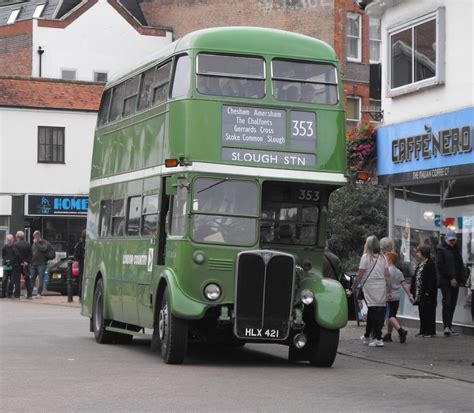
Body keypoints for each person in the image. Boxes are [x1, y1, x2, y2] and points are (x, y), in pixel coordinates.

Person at [350, 235, 392, 347]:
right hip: (381, 286)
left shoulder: (365, 257)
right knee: (374, 312)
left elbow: (360, 274)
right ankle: (367, 336)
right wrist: (389, 290)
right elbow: (387, 275)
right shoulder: (383, 257)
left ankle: (379, 338)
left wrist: (353, 287)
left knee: (373, 313)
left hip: (370, 287)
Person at [436, 230, 464, 336]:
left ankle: (449, 325)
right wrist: (451, 278)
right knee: (447, 302)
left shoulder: (456, 250)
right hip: (446, 281)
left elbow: (459, 265)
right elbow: (441, 266)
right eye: (450, 240)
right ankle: (446, 326)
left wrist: (460, 279)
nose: (452, 242)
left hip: (456, 281)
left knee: (452, 303)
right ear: (446, 239)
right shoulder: (441, 250)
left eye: (453, 240)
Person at [383, 252, 413, 343]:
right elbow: (404, 284)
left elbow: (385, 282)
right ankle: (388, 334)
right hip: (397, 296)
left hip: (389, 296)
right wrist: (409, 295)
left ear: (390, 260)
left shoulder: (387, 270)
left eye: (386, 258)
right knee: (393, 316)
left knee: (390, 316)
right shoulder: (398, 271)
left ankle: (401, 331)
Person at [411, 245, 438, 337]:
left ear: (423, 253)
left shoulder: (430, 264)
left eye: (418, 252)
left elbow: (432, 280)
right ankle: (422, 330)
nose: (417, 254)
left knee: (429, 312)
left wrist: (428, 292)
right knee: (422, 311)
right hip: (420, 292)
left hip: (427, 293)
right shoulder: (420, 264)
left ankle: (430, 331)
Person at [30, 230, 54, 298]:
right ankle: (30, 293)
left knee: (41, 278)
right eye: (34, 237)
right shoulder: (34, 244)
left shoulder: (44, 242)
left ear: (39, 236)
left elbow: (43, 249)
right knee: (32, 278)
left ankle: (39, 293)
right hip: (34, 264)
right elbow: (32, 252)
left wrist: (37, 243)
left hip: (41, 264)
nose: (35, 238)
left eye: (36, 237)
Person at [13, 231, 32, 299]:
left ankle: (17, 295)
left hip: (18, 264)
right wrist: (26, 262)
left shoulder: (15, 244)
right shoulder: (28, 244)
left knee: (17, 280)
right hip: (26, 265)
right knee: (27, 279)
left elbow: (16, 255)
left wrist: (22, 261)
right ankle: (29, 295)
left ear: (17, 237)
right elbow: (31, 255)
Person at [74, 229, 86, 301]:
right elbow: (77, 255)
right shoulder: (81, 244)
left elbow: (76, 256)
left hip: (82, 263)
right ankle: (81, 296)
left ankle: (81, 296)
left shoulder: (80, 243)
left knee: (82, 279)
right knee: (82, 279)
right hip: (83, 263)